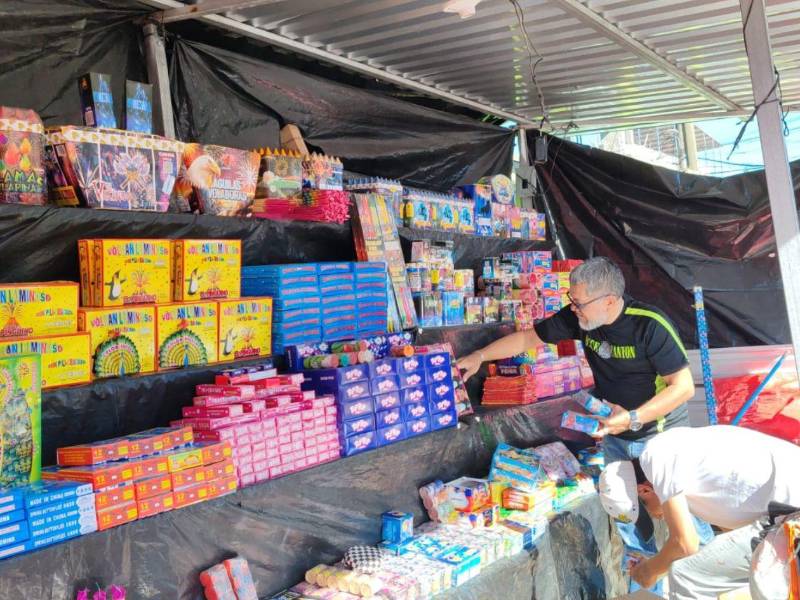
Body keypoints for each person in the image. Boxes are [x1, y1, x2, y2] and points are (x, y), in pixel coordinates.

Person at [457, 256, 713, 591]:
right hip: (615, 434)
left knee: (686, 517)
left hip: (660, 436)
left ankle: (707, 575)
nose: (573, 308)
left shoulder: (649, 324)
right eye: (571, 301)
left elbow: (682, 387)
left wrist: (633, 418)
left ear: (609, 300)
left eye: (579, 303)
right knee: (627, 514)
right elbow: (527, 339)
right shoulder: (580, 318)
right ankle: (645, 591)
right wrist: (479, 357)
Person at [599, 425, 800, 598]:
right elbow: (711, 548)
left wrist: (649, 571)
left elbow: (685, 544)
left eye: (646, 509)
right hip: (785, 514)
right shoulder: (689, 466)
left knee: (686, 577)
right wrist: (659, 563)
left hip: (791, 515)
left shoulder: (656, 455)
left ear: (644, 490)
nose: (653, 516)